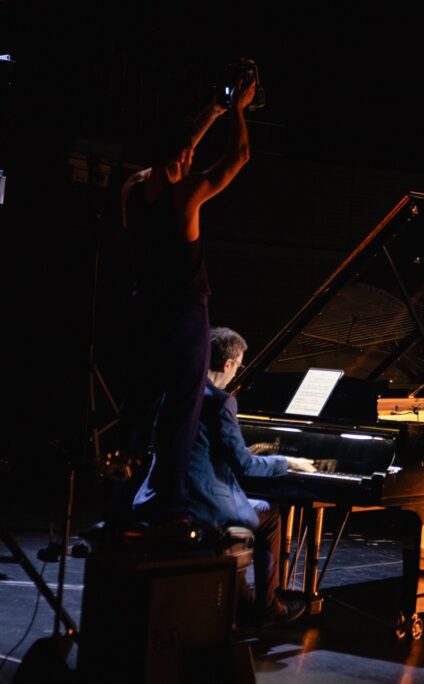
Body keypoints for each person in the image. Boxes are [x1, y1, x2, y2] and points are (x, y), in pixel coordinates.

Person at [114, 76, 256, 521]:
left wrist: (211, 110)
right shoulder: (187, 196)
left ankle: (124, 502)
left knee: (139, 408)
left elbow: (175, 149)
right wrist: (238, 111)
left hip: (143, 312)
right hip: (183, 317)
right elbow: (239, 157)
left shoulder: (133, 189)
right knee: (181, 411)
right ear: (182, 155)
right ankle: (170, 505)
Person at [134, 327, 316, 625]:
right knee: (270, 514)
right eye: (239, 365)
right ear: (229, 364)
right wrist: (287, 462)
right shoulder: (220, 402)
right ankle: (267, 606)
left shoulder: (175, 393)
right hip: (199, 506)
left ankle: (242, 596)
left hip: (158, 497)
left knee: (248, 506)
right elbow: (244, 465)